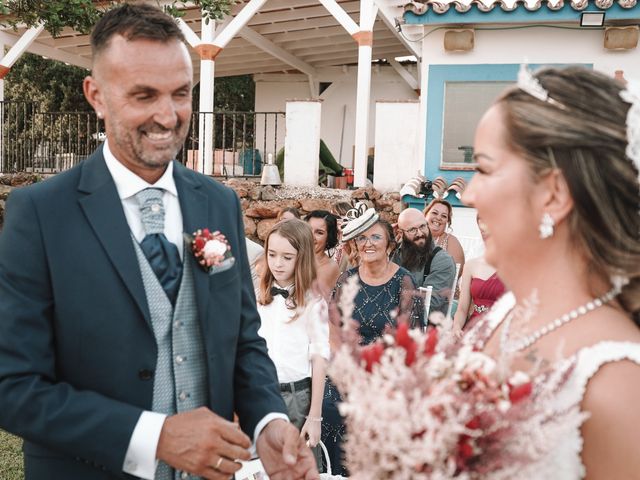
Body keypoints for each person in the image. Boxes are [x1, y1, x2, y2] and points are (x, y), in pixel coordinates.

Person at [0, 5, 318, 480]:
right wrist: (154, 437)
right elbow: (14, 388)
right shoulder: (40, 215)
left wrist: (267, 420)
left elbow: (243, 341)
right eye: (144, 95)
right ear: (97, 95)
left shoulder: (218, 205)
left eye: (180, 94)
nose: (167, 116)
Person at [461, 66, 640, 479]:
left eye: (484, 169)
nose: (468, 195)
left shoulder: (617, 384)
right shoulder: (508, 312)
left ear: (554, 195)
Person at [322, 213, 424, 475]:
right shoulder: (347, 279)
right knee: (329, 406)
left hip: (386, 373)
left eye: (375, 237)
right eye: (362, 238)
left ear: (390, 244)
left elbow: (410, 342)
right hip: (348, 366)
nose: (368, 243)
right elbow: (333, 328)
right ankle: (335, 473)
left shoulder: (404, 282)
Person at [256, 219, 330, 466]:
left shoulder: (313, 302)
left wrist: (315, 416)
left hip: (296, 397)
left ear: (302, 258)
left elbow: (319, 358)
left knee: (297, 467)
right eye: (272, 254)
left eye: (287, 257)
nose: (277, 263)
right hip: (259, 394)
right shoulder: (258, 296)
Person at [392, 207, 456, 316]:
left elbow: (427, 306)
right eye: (412, 230)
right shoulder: (394, 253)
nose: (420, 233)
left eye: (422, 226)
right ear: (400, 233)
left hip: (424, 328)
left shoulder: (442, 261)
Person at [452, 216, 505, 333]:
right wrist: (456, 327)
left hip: (500, 331)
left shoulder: (516, 266)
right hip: (473, 330)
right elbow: (462, 309)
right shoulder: (471, 265)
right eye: (481, 228)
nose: (483, 231)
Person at [423, 199, 466, 275]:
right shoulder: (414, 236)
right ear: (426, 214)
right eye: (435, 213)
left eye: (444, 216)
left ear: (447, 221)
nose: (439, 218)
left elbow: (455, 275)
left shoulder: (451, 241)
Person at [304, 210, 340, 298]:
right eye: (308, 229)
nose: (311, 236)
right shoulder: (293, 258)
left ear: (328, 238)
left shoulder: (330, 267)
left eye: (319, 232)